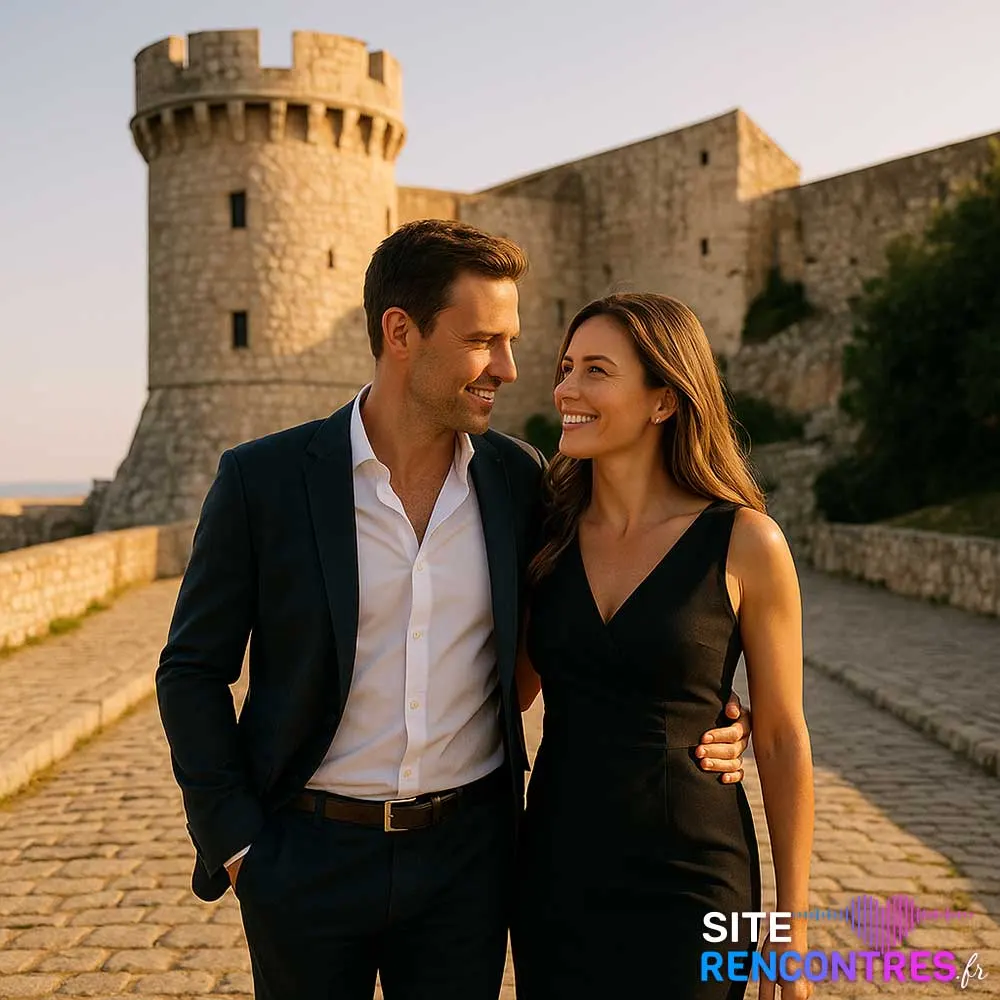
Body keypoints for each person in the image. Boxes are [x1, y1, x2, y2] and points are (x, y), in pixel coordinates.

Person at [155, 221, 751, 1000]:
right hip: (304, 859)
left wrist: (703, 701)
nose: (507, 368)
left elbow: (593, 627)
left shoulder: (520, 482)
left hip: (469, 869)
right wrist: (236, 842)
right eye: (483, 341)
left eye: (510, 341)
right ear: (401, 332)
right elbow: (191, 670)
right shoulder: (262, 481)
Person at [511, 293, 814, 1000]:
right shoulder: (546, 535)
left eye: (595, 370)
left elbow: (780, 737)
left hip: (695, 879)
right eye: (565, 367)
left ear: (663, 401)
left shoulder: (746, 542)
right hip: (557, 872)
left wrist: (789, 934)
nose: (565, 389)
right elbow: (511, 692)